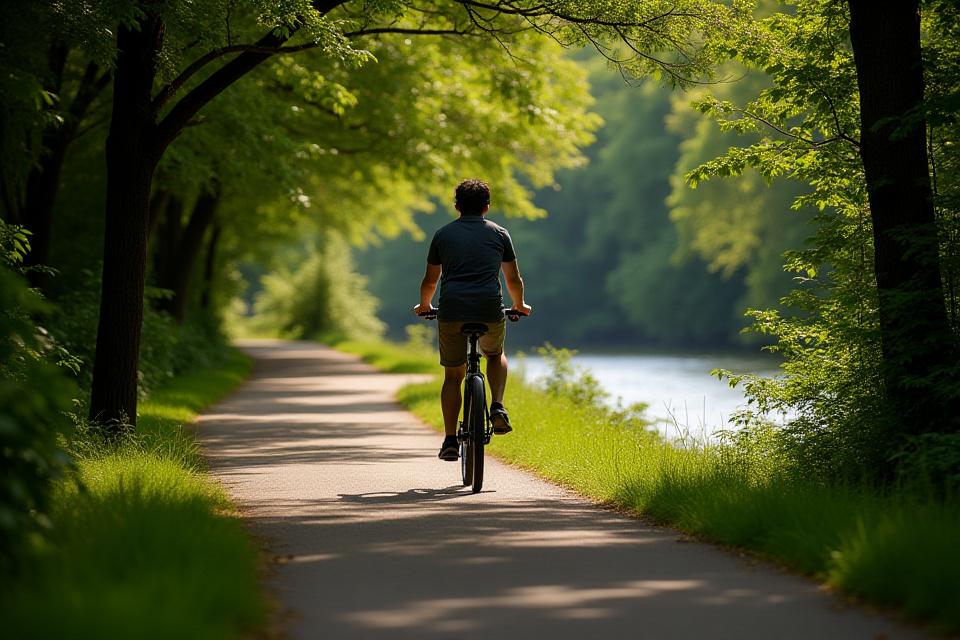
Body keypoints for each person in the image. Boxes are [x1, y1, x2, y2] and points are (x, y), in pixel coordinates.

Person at [413, 179, 532, 461]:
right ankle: (498, 406)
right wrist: (519, 305)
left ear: (456, 207)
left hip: (452, 310)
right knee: (495, 353)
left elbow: (430, 280)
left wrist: (425, 305)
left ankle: (450, 439)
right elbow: (513, 279)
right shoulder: (500, 234)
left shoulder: (443, 235)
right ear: (487, 207)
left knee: (453, 375)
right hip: (489, 309)